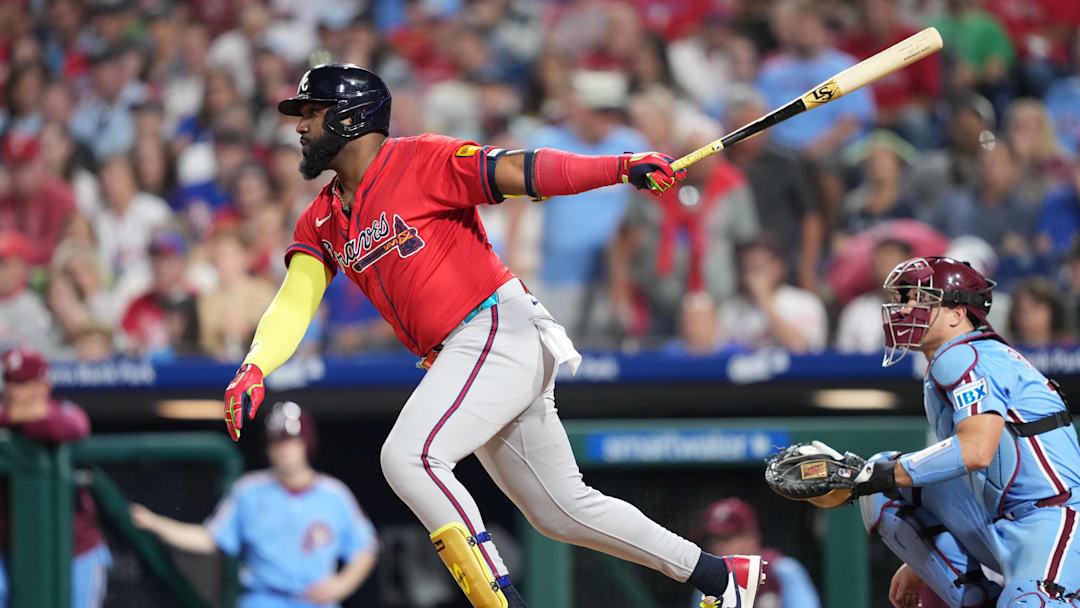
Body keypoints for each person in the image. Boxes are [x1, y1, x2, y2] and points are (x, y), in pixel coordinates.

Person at [222, 63, 763, 608]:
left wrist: (619, 166)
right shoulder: (321, 217)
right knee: (560, 510)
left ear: (351, 118)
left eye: (313, 113)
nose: (300, 126)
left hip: (496, 326)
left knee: (409, 457)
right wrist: (256, 364)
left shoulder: (420, 159)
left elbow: (523, 169)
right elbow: (295, 299)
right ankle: (721, 576)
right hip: (473, 351)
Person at [791, 257, 1080, 607]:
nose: (903, 309)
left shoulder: (968, 355)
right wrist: (922, 560)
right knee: (882, 487)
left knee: (1030, 602)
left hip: (1054, 517)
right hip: (999, 519)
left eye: (920, 299)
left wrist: (878, 474)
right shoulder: (950, 362)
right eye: (903, 299)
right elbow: (962, 469)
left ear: (957, 313)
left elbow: (975, 450)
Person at [132, 401, 377, 608]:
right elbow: (209, 539)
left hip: (315, 602)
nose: (283, 449)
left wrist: (342, 585)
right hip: (264, 599)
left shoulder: (334, 494)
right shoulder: (249, 490)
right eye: (276, 442)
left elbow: (366, 547)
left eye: (290, 440)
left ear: (306, 443)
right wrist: (155, 523)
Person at [0, 347, 111, 608]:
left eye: (22, 383)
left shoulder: (65, 410)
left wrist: (15, 419)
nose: (13, 391)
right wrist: (13, 416)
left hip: (75, 552)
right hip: (9, 553)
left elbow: (70, 425)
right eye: (9, 382)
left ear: (43, 385)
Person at [690, 499, 820, 608]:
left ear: (751, 538)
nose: (717, 546)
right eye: (713, 540)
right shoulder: (708, 582)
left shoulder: (781, 570)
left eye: (726, 539)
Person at [718, 237, 829, 353]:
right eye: (745, 268)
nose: (750, 276)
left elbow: (801, 347)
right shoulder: (731, 308)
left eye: (757, 267)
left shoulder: (805, 302)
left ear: (779, 267)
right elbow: (717, 351)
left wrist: (764, 300)